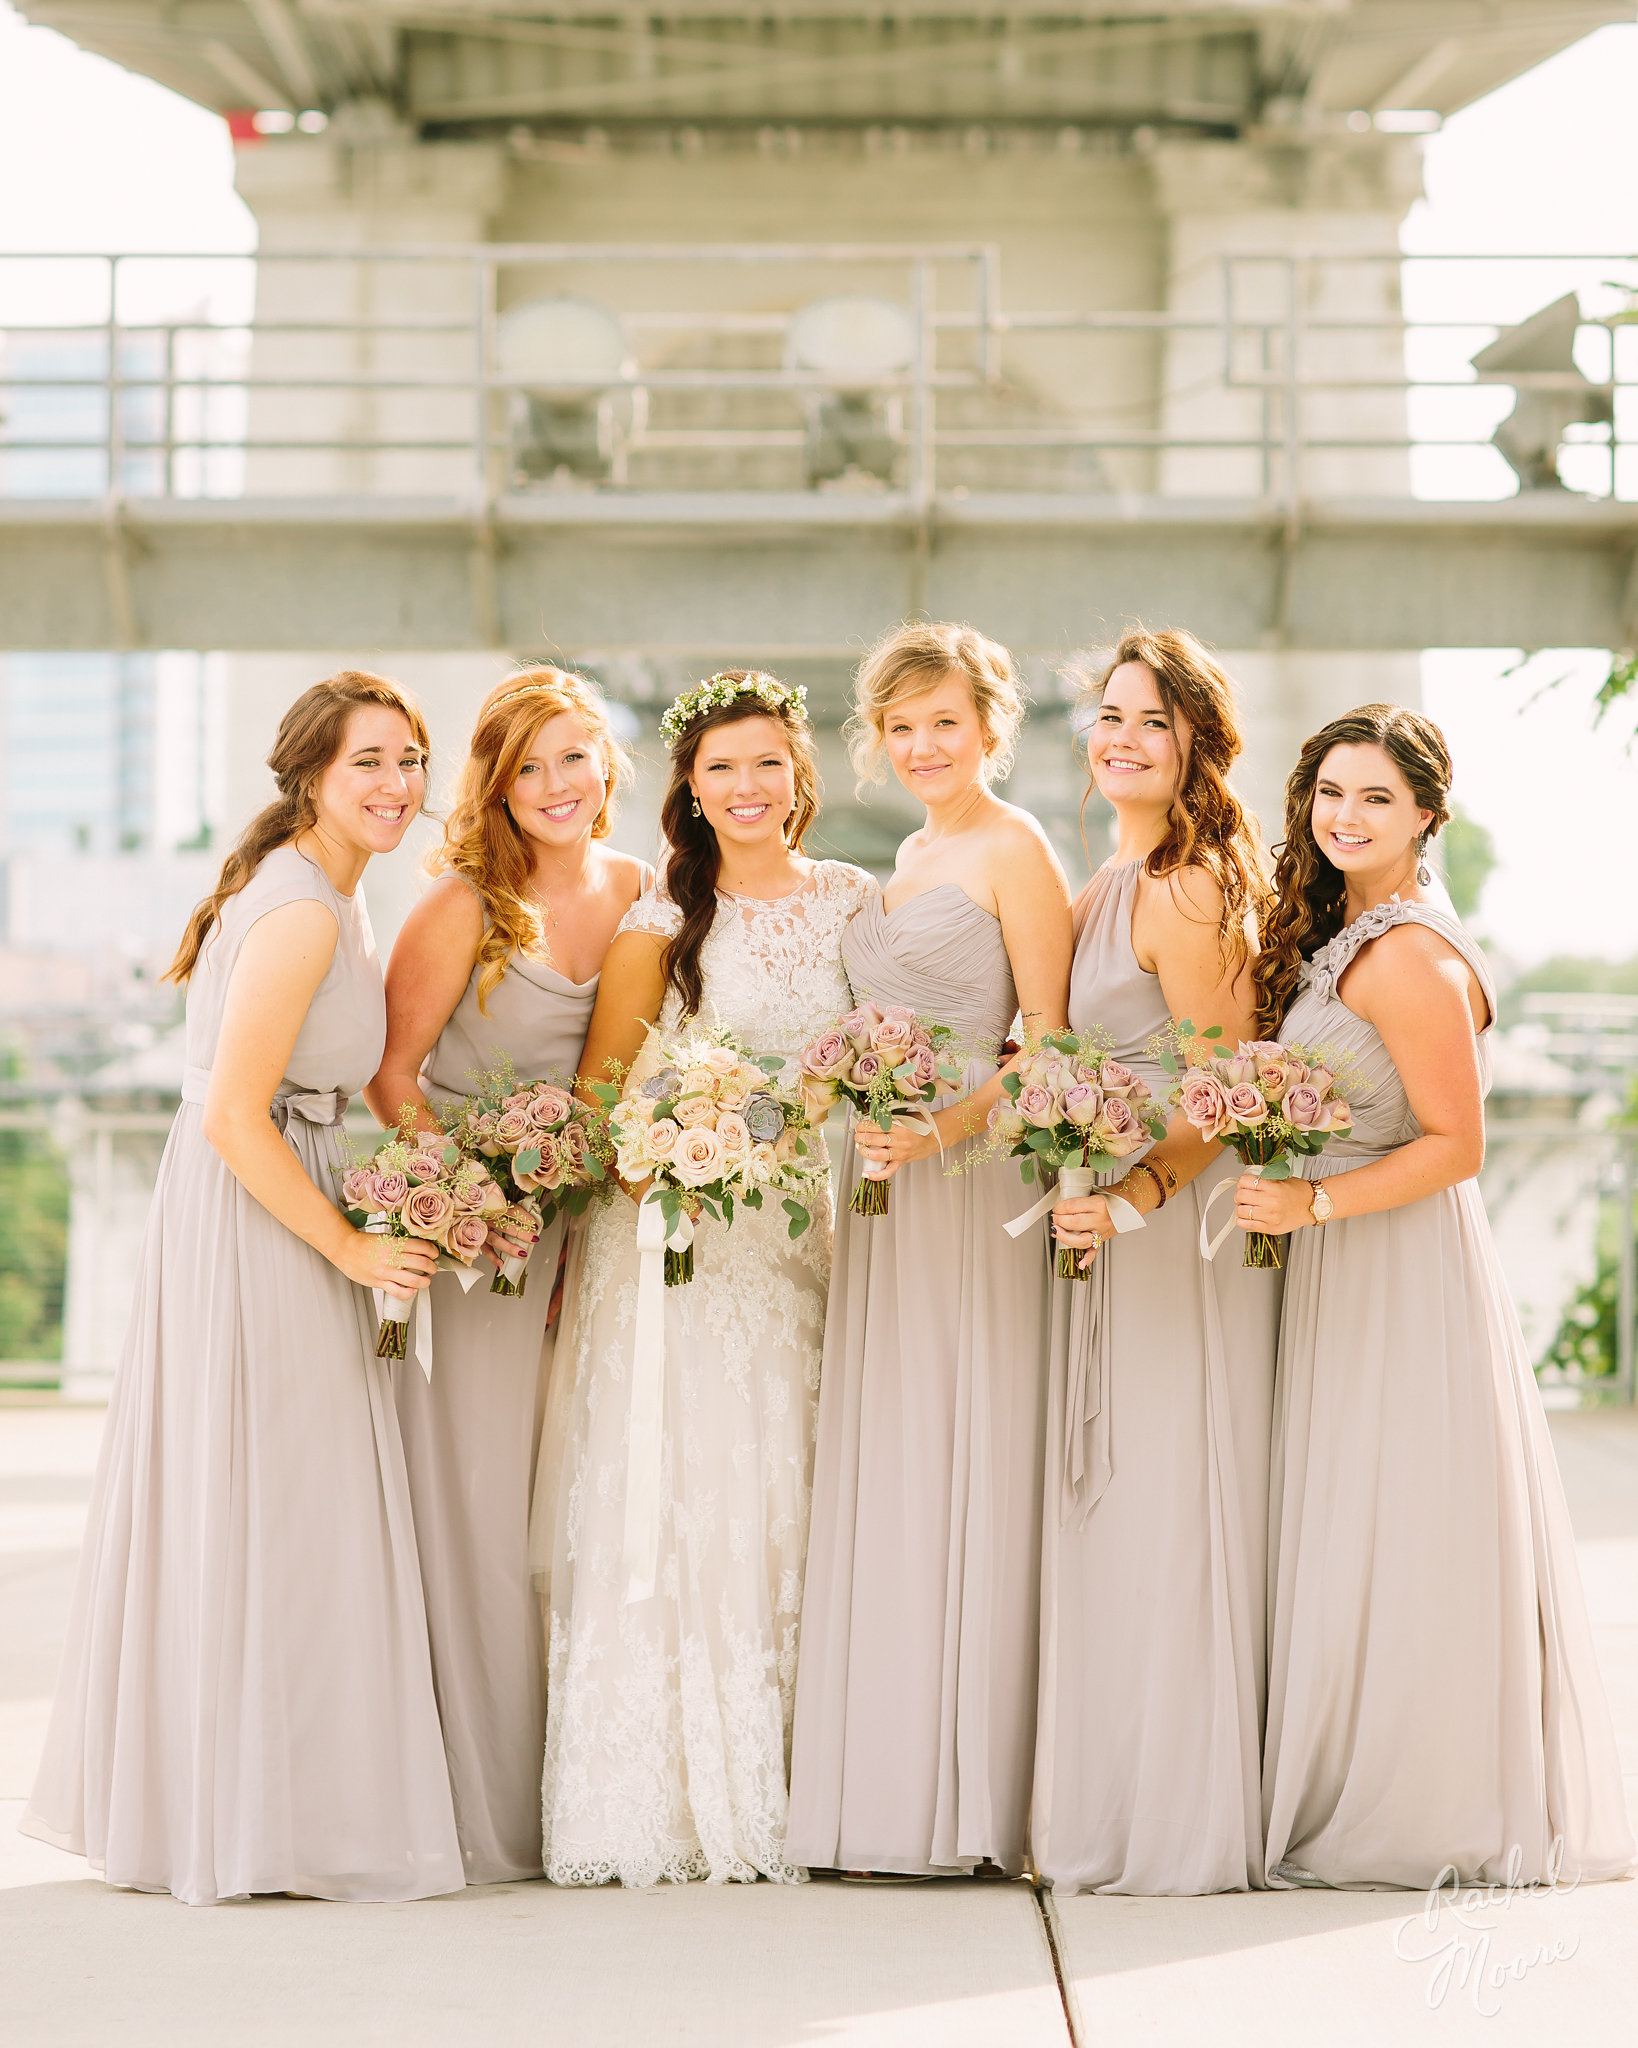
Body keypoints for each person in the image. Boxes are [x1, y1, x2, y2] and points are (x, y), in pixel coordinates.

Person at [22, 670, 464, 1906]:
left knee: (286, 1504)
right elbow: (230, 1113)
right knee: (280, 1499)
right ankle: (260, 1813)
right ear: (312, 776)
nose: (396, 784)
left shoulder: (335, 892)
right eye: (370, 761)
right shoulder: (301, 912)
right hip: (262, 1214)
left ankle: (275, 1799)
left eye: (410, 760)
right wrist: (353, 1246)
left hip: (287, 1194)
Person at [1243, 702, 1634, 1889]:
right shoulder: (1342, 933)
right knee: (1355, 1519)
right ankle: (1352, 1758)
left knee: (1403, 1517)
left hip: (1396, 1261)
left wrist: (1311, 1205)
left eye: (1376, 798)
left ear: (1424, 816)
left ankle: (1424, 1796)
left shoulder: (1410, 952)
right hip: (1342, 1261)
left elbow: (1457, 1144)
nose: (1346, 816)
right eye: (1330, 793)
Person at [540, 670, 875, 1887]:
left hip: (800, 1244)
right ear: (688, 785)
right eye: (722, 767)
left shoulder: (853, 901)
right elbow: (602, 1099)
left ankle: (812, 1775)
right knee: (684, 1499)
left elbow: (879, 1058)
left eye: (768, 764)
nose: (747, 787)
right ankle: (664, 1795)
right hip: (679, 1262)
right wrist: (675, 1150)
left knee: (791, 1488)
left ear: (801, 778)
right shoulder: (658, 923)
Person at [785, 621, 1072, 1880]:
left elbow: (1052, 1052)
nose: (921, 747)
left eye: (943, 723)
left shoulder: (1019, 847)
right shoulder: (905, 852)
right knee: (900, 1448)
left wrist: (942, 1128)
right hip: (885, 1181)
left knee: (970, 1441)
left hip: (967, 1175)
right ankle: (893, 1776)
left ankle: (975, 1789)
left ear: (991, 725)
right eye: (900, 727)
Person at [365, 667, 648, 1885]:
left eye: (574, 757)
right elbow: (392, 1078)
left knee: (561, 1509)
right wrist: (480, 1202)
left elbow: (611, 1076)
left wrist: (579, 1193)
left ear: (608, 764)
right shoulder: (459, 904)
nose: (556, 786)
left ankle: (565, 1785)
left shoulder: (639, 888)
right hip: (479, 1247)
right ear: (494, 782)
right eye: (528, 766)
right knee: (478, 1507)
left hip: (584, 1235)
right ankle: (470, 1798)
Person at [1030, 627, 1279, 1895]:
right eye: (1109, 715)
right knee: (1110, 1498)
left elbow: (1224, 1087)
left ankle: (1175, 1818)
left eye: (1151, 720)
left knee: (1165, 1487)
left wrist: (1132, 1194)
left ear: (1196, 743)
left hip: (1171, 1233)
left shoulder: (1188, 887)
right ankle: (1106, 1795)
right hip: (1102, 1220)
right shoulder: (1108, 870)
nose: (1120, 736)